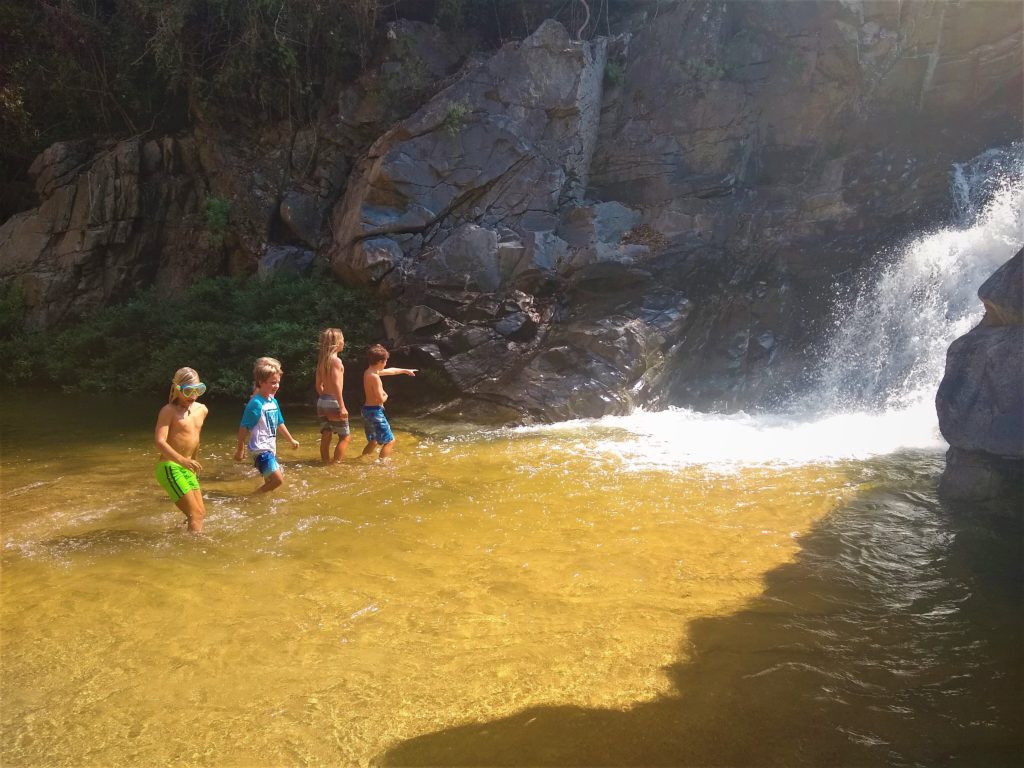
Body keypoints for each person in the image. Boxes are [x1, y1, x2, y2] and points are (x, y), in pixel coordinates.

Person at [153, 367, 209, 533]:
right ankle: (197, 547)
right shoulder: (168, 411)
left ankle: (176, 535)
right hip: (169, 466)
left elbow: (195, 440)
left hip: (187, 468)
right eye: (188, 391)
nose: (193, 396)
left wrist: (193, 464)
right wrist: (182, 460)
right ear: (177, 389)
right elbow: (159, 442)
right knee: (195, 514)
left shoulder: (202, 410)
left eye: (198, 390)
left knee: (200, 513)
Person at [234, 357, 300, 493]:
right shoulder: (256, 404)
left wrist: (291, 439)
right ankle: (251, 497)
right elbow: (243, 427)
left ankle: (261, 503)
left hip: (270, 448)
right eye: (272, 383)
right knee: (278, 480)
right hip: (260, 450)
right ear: (261, 382)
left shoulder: (272, 401)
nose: (276, 386)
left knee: (270, 482)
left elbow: (279, 423)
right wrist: (240, 449)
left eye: (278, 382)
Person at [361, 344, 417, 461]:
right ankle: (382, 464)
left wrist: (404, 370)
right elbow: (380, 398)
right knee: (390, 441)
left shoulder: (369, 372)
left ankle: (361, 459)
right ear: (381, 361)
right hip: (375, 412)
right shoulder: (375, 377)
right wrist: (386, 395)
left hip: (366, 410)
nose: (386, 364)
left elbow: (391, 371)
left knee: (373, 441)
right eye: (386, 361)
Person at [315, 328, 351, 464]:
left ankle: (325, 462)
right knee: (345, 437)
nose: (344, 342)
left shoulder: (322, 361)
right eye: (342, 340)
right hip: (333, 400)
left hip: (322, 401)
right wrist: (341, 406)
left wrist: (324, 399)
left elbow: (318, 385)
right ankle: (335, 465)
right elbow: (336, 384)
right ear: (337, 343)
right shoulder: (336, 361)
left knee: (326, 434)